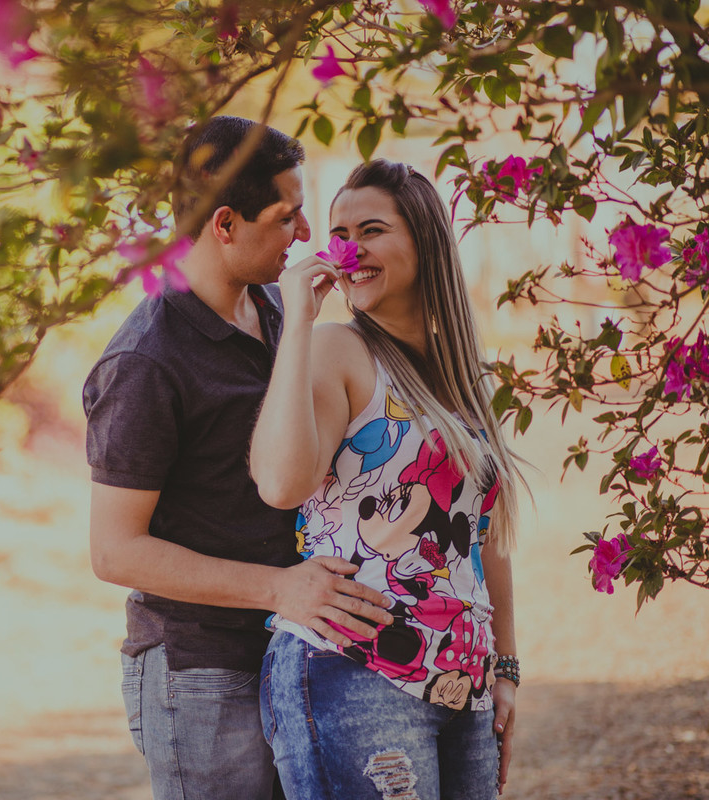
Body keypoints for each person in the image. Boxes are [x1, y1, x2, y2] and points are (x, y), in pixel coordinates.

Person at [83, 116, 394, 800]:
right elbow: (114, 551)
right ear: (224, 223)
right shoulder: (145, 361)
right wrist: (281, 589)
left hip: (300, 652)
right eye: (286, 218)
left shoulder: (281, 313)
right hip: (205, 672)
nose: (306, 234)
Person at [249, 159, 524, 800]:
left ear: (425, 242)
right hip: (353, 667)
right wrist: (298, 323)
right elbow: (282, 485)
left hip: (464, 680)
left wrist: (506, 667)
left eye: (371, 231)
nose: (351, 251)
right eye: (341, 235)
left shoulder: (468, 378)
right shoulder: (337, 349)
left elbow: (484, 536)